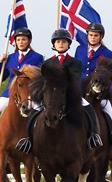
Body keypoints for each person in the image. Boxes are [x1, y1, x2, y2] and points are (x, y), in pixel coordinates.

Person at [15, 28, 104, 156]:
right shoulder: (47, 63)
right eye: (58, 42)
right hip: (50, 96)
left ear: (68, 44)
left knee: (88, 107)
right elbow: (42, 80)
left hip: (69, 95)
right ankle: (28, 139)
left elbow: (75, 79)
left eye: (63, 42)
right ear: (54, 44)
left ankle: (93, 136)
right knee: (34, 110)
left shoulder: (75, 63)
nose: (60, 44)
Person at [0, 27, 43, 167]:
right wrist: (0, 63)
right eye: (18, 40)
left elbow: (39, 77)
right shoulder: (11, 57)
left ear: (28, 41)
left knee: (40, 117)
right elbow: (2, 76)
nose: (21, 42)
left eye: (23, 39)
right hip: (9, 94)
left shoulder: (37, 57)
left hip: (30, 95)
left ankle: (40, 151)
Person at [73, 22, 112, 170]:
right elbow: (75, 70)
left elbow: (109, 75)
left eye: (96, 35)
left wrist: (101, 90)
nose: (93, 37)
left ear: (100, 36)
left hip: (100, 95)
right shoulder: (79, 50)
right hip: (80, 92)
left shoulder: (107, 53)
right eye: (90, 35)